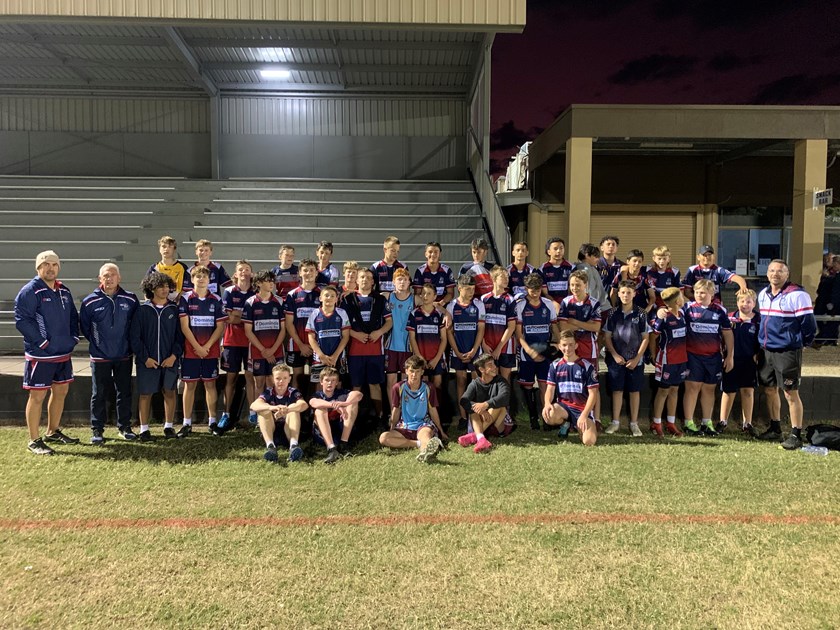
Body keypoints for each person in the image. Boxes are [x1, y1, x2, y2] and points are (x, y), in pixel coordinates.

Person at [14, 250, 80, 454]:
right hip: (41, 355)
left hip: (63, 353)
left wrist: (74, 338)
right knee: (37, 396)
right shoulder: (30, 290)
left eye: (54, 264)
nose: (50, 268)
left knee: (61, 391)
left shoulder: (64, 290)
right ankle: (34, 440)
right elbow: (22, 321)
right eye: (46, 264)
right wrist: (42, 343)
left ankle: (53, 431)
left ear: (59, 267)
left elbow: (72, 317)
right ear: (38, 267)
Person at [756, 259, 817, 450]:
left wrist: (801, 343)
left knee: (790, 393)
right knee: (769, 389)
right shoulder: (763, 294)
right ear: (767, 274)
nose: (775, 274)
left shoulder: (798, 295)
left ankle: (795, 434)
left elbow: (809, 326)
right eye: (772, 270)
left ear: (787, 274)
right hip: (766, 351)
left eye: (780, 271)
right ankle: (775, 428)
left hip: (787, 352)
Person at [80, 263, 139, 443]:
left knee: (124, 392)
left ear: (119, 278)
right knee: (98, 393)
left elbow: (135, 326)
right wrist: (99, 344)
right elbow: (85, 328)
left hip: (123, 355)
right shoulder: (89, 301)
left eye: (113, 275)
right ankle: (97, 430)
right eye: (106, 275)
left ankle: (124, 427)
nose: (109, 278)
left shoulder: (130, 299)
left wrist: (128, 347)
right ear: (100, 279)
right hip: (100, 357)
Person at [130, 271, 183, 441]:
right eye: (161, 286)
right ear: (151, 288)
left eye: (167, 286)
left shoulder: (174, 309)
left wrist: (174, 355)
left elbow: (179, 336)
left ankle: (169, 426)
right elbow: (134, 337)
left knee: (170, 391)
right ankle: (144, 429)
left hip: (170, 360)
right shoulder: (142, 309)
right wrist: (145, 358)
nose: (165, 289)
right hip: (147, 361)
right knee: (145, 394)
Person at [679, 279, 734, 437]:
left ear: (712, 293)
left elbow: (727, 334)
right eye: (696, 292)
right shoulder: (688, 308)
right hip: (692, 356)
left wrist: (730, 356)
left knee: (709, 389)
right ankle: (689, 423)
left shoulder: (719, 310)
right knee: (692, 388)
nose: (699, 295)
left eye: (703, 292)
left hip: (713, 357)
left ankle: (706, 422)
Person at [179, 265, 228, 436]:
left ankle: (212, 422)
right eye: (197, 276)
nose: (201, 279)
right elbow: (185, 327)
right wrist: (197, 347)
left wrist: (206, 347)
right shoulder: (185, 298)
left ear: (209, 280)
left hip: (210, 351)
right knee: (189, 386)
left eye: (204, 277)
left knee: (210, 384)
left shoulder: (216, 299)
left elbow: (220, 327)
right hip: (191, 351)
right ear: (192, 279)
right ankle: (186, 423)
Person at [341, 267, 392, 424]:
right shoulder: (348, 300)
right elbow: (343, 323)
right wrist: (355, 334)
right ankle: (352, 418)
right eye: (362, 277)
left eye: (368, 277)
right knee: (356, 385)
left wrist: (379, 332)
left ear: (373, 281)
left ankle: (379, 417)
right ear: (357, 280)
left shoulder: (380, 299)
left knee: (374, 384)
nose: (365, 280)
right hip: (355, 350)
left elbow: (389, 322)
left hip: (375, 350)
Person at [603, 281, 650, 437]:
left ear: (634, 294)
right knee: (617, 390)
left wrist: (637, 358)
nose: (625, 295)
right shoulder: (612, 313)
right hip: (616, 359)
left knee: (634, 390)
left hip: (635, 360)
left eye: (629, 292)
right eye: (623, 292)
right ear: (618, 294)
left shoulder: (641, 313)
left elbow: (645, 338)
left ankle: (634, 424)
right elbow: (607, 337)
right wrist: (615, 355)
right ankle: (615, 422)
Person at [378, 354, 446, 463]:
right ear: (406, 371)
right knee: (383, 438)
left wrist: (441, 431)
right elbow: (396, 409)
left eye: (418, 371)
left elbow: (433, 410)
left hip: (423, 424)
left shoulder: (429, 387)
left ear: (422, 372)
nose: (414, 375)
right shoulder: (398, 387)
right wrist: (392, 427)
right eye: (412, 371)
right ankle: (418, 444)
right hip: (405, 425)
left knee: (426, 437)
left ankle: (425, 453)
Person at [558, 269, 603, 427]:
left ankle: (596, 419)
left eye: (578, 285)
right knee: (571, 383)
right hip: (571, 349)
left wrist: (575, 323)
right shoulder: (565, 302)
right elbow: (563, 327)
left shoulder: (594, 303)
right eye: (572, 285)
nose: (575, 288)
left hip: (589, 348)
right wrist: (585, 325)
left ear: (586, 285)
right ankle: (570, 419)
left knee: (592, 384)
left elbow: (596, 327)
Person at [242, 269, 286, 430]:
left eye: (272, 281)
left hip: (276, 350)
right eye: (268, 281)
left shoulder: (279, 301)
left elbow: (283, 329)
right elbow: (248, 331)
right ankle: (257, 414)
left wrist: (272, 350)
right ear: (259, 283)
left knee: (273, 381)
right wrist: (263, 350)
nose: (271, 284)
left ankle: (275, 414)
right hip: (257, 351)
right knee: (259, 381)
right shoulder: (250, 302)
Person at [515, 272, 560, 430]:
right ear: (526, 289)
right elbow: (518, 333)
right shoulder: (520, 305)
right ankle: (533, 418)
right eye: (532, 290)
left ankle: (546, 418)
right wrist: (529, 351)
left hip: (545, 351)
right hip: (527, 353)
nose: (535, 293)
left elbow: (554, 327)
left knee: (544, 386)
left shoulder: (548, 304)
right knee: (527, 386)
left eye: (538, 290)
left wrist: (559, 343)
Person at [541, 330, 600, 445]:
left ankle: (578, 426)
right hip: (564, 408)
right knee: (549, 416)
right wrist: (547, 403)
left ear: (576, 345)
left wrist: (584, 415)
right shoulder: (555, 365)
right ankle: (565, 423)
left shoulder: (587, 366)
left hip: (582, 410)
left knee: (589, 441)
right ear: (559, 346)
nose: (567, 348)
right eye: (564, 345)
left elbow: (593, 395)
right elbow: (550, 389)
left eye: (571, 345)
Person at [717, 289, 760, 437]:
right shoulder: (730, 318)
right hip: (731, 360)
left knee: (748, 391)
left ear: (754, 303)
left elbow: (762, 340)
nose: (745, 304)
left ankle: (747, 423)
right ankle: (723, 421)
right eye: (742, 301)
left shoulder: (758, 320)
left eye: (748, 301)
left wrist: (757, 355)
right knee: (728, 391)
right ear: (737, 303)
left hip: (749, 361)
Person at [219, 260, 256, 430]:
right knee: (231, 379)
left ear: (251, 273)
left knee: (250, 378)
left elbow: (239, 317)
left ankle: (253, 414)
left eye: (247, 269)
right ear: (236, 273)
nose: (243, 272)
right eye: (240, 269)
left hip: (250, 341)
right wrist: (245, 317)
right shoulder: (228, 292)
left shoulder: (256, 292)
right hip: (231, 341)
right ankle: (226, 414)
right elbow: (228, 317)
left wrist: (237, 315)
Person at [447, 275, 486, 430]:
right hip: (458, 351)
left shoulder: (479, 305)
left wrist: (475, 350)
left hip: (474, 351)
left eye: (473, 288)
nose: (471, 292)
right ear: (459, 288)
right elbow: (449, 332)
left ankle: (476, 416)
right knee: (461, 382)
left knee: (476, 383)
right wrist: (456, 351)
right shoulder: (452, 306)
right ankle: (464, 417)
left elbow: (481, 329)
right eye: (468, 289)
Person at [649, 287, 688, 437]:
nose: (684, 299)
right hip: (667, 359)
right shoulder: (663, 316)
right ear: (678, 301)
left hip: (681, 359)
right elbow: (653, 336)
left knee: (675, 390)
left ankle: (670, 423)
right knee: (663, 390)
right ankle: (656, 422)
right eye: (682, 297)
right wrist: (653, 354)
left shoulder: (682, 314)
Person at [250, 363, 308, 464]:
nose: (281, 381)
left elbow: (304, 405)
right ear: (273, 379)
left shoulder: (293, 392)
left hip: (289, 432)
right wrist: (272, 407)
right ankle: (271, 447)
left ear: (289, 379)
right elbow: (254, 405)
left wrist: (286, 410)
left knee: (294, 411)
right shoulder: (268, 392)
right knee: (263, 411)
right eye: (278, 378)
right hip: (272, 432)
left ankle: (294, 446)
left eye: (285, 378)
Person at [457, 353, 514, 453]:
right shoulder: (475, 383)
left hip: (498, 425)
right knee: (474, 407)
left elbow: (504, 397)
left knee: (499, 406)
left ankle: (476, 436)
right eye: (490, 365)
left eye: (494, 364)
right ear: (482, 369)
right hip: (482, 420)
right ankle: (481, 438)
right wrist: (482, 410)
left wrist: (486, 404)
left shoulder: (501, 381)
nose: (495, 367)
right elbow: (463, 400)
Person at [309, 367, 363, 463]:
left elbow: (358, 394)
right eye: (327, 380)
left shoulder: (342, 393)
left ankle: (343, 444)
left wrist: (344, 404)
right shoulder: (317, 395)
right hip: (323, 434)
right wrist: (335, 406)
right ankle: (332, 449)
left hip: (341, 429)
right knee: (320, 411)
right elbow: (313, 403)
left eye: (333, 380)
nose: (330, 383)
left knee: (352, 403)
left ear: (337, 382)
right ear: (321, 382)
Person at [284, 258, 321, 395]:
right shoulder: (292, 295)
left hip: (317, 345)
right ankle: (296, 409)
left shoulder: (322, 294)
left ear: (316, 273)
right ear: (299, 273)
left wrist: (313, 345)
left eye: (312, 270)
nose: (308, 273)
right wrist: (301, 344)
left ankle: (313, 410)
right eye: (305, 270)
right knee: (297, 378)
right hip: (297, 344)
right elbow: (289, 323)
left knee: (316, 378)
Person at [305, 284, 350, 385]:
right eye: (326, 295)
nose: (329, 298)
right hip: (319, 357)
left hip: (338, 357)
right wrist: (321, 356)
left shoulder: (342, 313)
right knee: (319, 385)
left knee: (337, 384)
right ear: (320, 298)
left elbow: (346, 337)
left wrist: (335, 356)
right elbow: (311, 338)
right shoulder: (314, 314)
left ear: (336, 299)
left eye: (332, 296)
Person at [407, 283, 448, 393]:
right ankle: (423, 410)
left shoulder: (439, 314)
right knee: (422, 385)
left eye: (429, 294)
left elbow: (444, 338)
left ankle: (436, 410)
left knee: (437, 384)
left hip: (436, 357)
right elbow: (412, 338)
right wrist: (420, 357)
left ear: (435, 296)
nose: (425, 296)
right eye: (423, 293)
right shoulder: (414, 313)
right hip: (420, 357)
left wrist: (436, 359)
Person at [480, 266, 517, 384]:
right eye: (503, 277)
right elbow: (480, 325)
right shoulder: (484, 299)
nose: (506, 279)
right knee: (489, 378)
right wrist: (483, 343)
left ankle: (505, 403)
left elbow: (511, 327)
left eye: (507, 277)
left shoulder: (510, 300)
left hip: (505, 347)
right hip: (488, 346)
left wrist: (499, 348)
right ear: (494, 279)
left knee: (505, 379)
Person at [385, 268, 415, 399]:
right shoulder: (387, 296)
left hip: (407, 346)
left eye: (405, 279)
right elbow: (366, 294)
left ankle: (403, 413)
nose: (402, 282)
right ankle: (393, 413)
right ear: (393, 282)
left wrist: (447, 313)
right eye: (399, 279)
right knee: (391, 381)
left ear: (409, 283)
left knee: (405, 381)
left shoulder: (415, 299)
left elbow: (432, 303)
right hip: (390, 345)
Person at [681, 244, 746, 303]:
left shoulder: (718, 270)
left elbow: (736, 278)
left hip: (715, 305)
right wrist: (701, 300)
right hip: (697, 306)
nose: (707, 257)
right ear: (698, 257)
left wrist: (743, 287)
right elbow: (687, 291)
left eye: (709, 255)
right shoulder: (692, 270)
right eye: (704, 255)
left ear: (713, 256)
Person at [412, 241, 455, 309]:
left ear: (439, 254)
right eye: (430, 252)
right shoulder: (420, 271)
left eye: (436, 252)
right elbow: (417, 294)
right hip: (425, 307)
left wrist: (441, 303)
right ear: (425, 254)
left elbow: (450, 293)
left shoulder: (447, 270)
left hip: (443, 306)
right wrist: (429, 304)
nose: (433, 254)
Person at [148, 235, 190, 301]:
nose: (166, 249)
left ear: (174, 249)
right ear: (159, 249)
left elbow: (186, 289)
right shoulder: (154, 268)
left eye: (170, 246)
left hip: (177, 305)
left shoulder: (182, 267)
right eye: (164, 246)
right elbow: (147, 289)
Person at [539, 237, 573, 309]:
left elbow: (572, 290)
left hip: (568, 305)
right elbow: (545, 293)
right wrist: (554, 304)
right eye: (555, 249)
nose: (558, 251)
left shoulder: (572, 268)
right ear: (548, 251)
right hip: (549, 305)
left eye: (561, 248)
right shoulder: (542, 270)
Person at [573, 243, 608, 308]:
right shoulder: (586, 270)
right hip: (597, 308)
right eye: (596, 256)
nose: (598, 259)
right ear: (587, 255)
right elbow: (590, 292)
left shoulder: (588, 268)